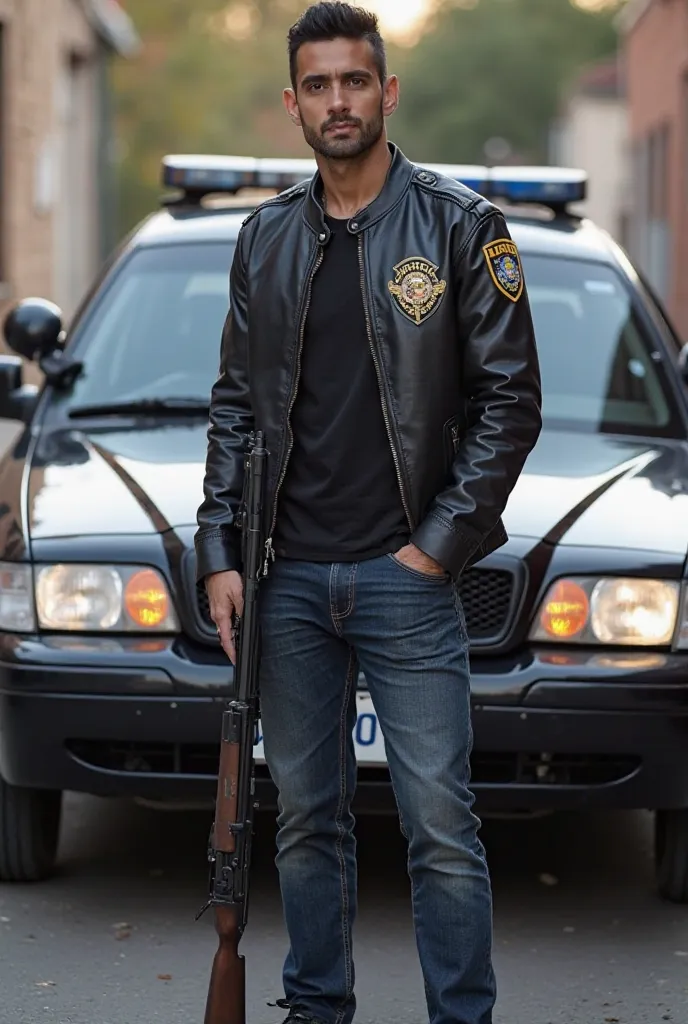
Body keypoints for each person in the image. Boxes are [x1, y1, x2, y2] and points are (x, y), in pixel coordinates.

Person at [195, 4, 542, 1023]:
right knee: (307, 821)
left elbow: (508, 404)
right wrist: (220, 546)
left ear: (387, 92)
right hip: (287, 578)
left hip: (406, 580)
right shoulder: (264, 239)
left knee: (439, 823)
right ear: (293, 102)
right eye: (316, 84)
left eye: (354, 81)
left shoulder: (460, 227)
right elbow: (232, 404)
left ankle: (460, 1016)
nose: (336, 101)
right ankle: (316, 1011)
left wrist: (434, 551)